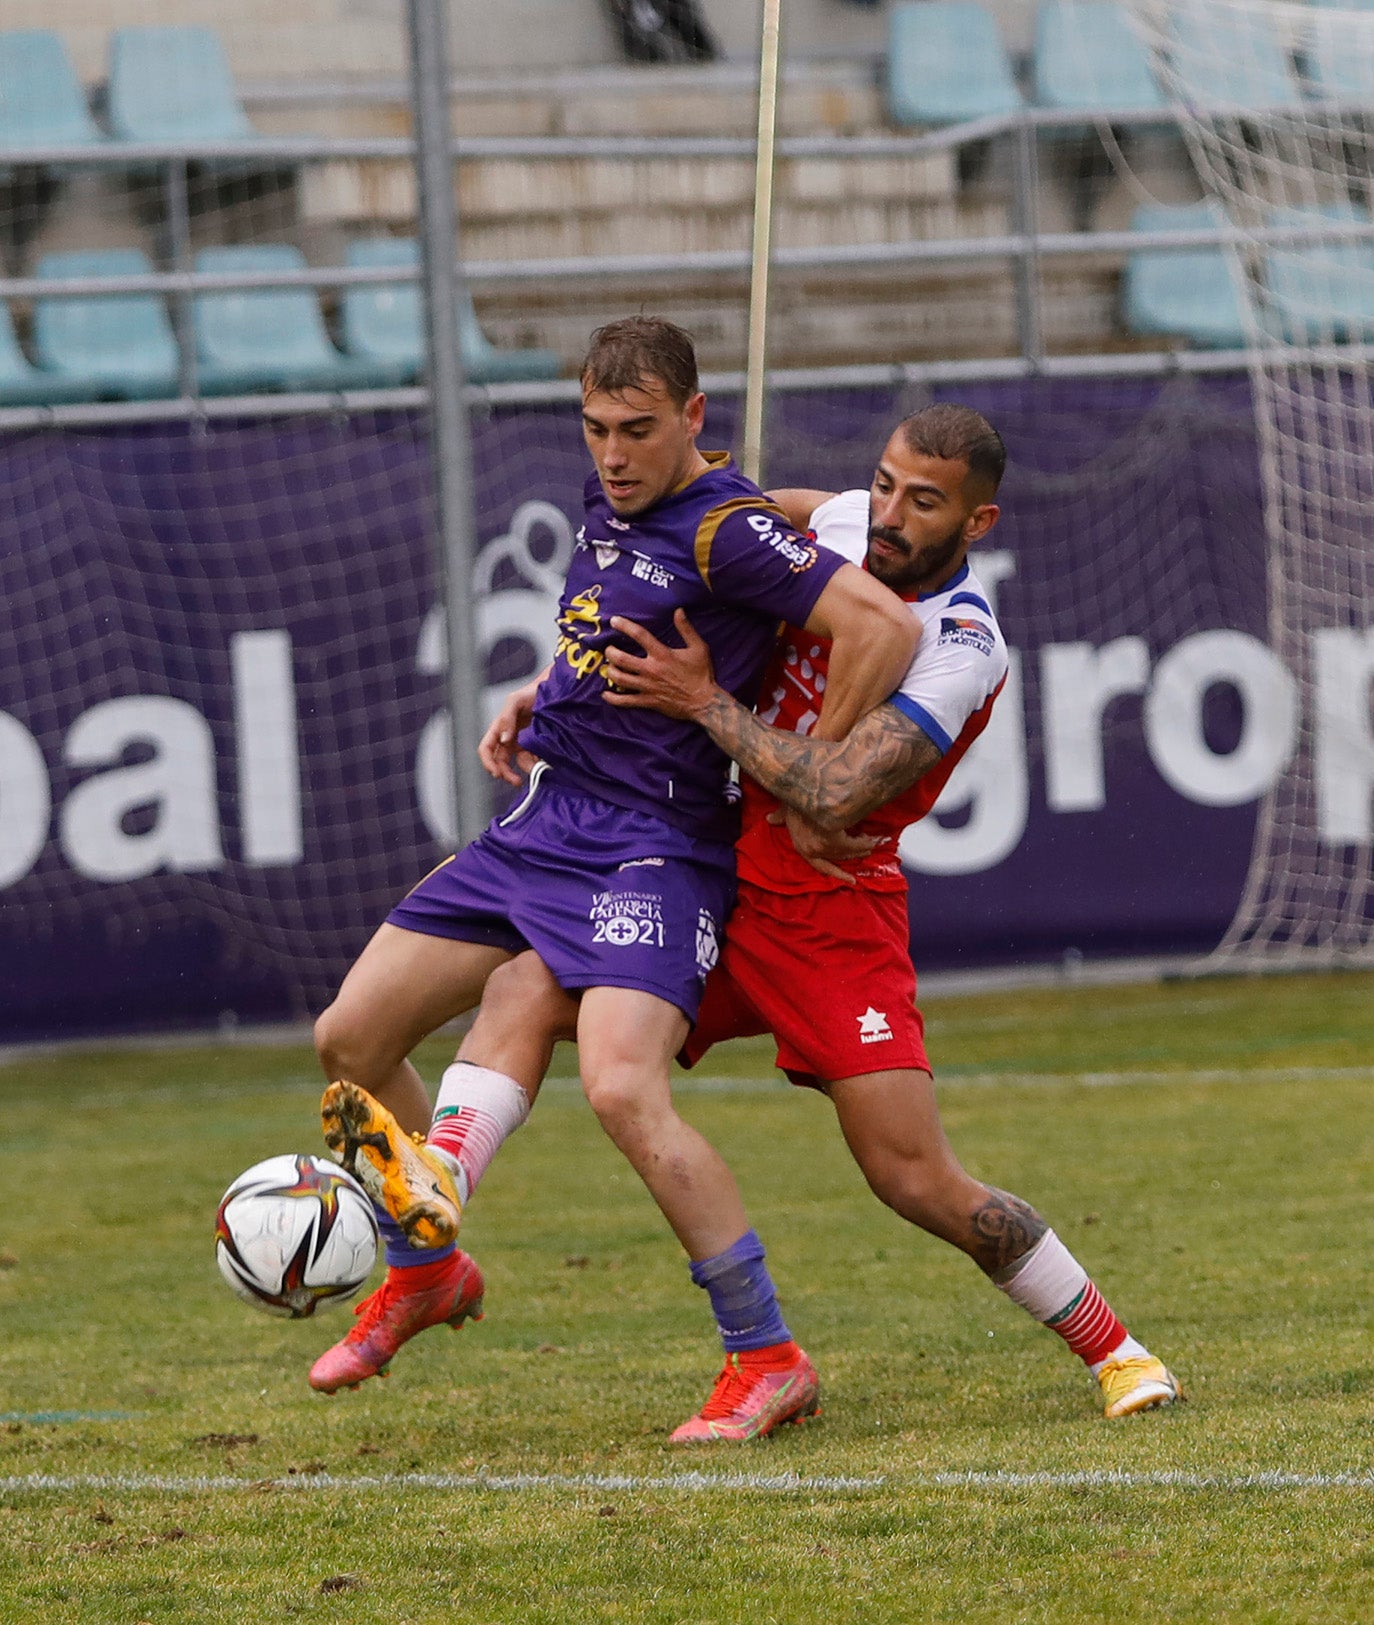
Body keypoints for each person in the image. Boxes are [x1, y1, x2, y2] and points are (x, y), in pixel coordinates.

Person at [383, 404, 1180, 1434]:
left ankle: (1117, 1348)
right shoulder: (847, 522)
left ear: (977, 523)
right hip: (701, 866)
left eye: (922, 501)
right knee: (527, 982)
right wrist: (564, 685)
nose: (888, 514)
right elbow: (702, 548)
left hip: (826, 913)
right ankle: (445, 1230)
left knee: (911, 1173)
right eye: (886, 482)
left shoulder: (961, 647)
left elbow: (834, 796)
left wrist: (703, 703)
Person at [307, 315, 919, 1423]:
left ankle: (767, 1352)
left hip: (654, 845)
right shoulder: (621, 496)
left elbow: (881, 621)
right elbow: (614, 605)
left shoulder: (721, 529)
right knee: (348, 1040)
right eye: (595, 429)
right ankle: (426, 1265)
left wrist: (813, 764)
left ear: (694, 415)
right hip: (544, 820)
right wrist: (558, 686)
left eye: (638, 430)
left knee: (620, 1086)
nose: (613, 453)